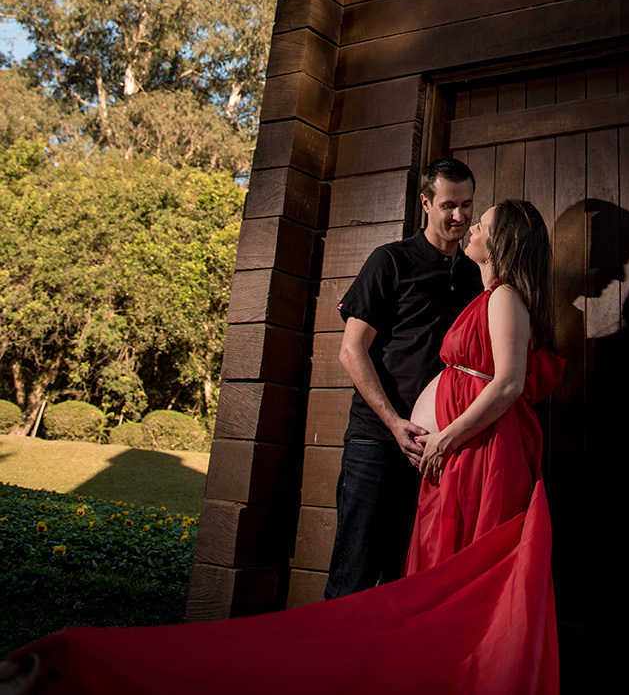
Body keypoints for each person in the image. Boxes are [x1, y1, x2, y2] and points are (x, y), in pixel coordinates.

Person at [0, 198, 562, 695]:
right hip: (458, 454)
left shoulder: (504, 296)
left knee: (461, 579)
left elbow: (509, 383)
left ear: (503, 239)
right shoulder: (469, 289)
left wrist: (445, 435)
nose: (472, 226)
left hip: (474, 452)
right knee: (432, 578)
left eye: (483, 221)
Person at [325, 157, 482, 596]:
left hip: (433, 449)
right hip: (376, 440)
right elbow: (351, 351)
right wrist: (394, 423)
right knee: (352, 576)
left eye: (467, 205)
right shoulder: (389, 261)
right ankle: (328, 665)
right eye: (449, 204)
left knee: (406, 577)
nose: (460, 216)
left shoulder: (473, 275)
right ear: (426, 203)